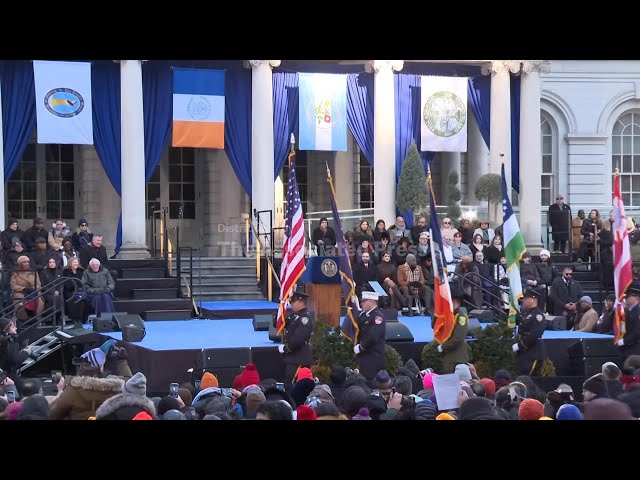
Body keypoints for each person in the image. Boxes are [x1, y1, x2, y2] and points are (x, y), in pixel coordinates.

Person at [276, 291, 314, 387]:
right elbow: (280, 324)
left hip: (299, 358)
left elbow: (299, 338)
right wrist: (280, 312)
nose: (291, 304)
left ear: (301, 302)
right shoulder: (295, 316)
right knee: (288, 384)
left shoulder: (305, 318)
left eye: (293, 302)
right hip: (292, 358)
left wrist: (286, 348)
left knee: (293, 385)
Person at [434, 286, 469, 373]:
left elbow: (458, 338)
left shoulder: (461, 317)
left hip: (457, 357)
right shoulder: (446, 315)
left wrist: (443, 347)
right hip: (448, 356)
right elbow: (434, 325)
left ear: (456, 302)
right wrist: (438, 314)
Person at [512, 289, 547, 376]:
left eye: (525, 298)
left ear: (533, 300)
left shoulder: (538, 316)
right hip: (525, 353)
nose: (523, 301)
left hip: (533, 353)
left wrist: (520, 345)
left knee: (528, 378)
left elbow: (534, 335)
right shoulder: (525, 314)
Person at [353, 291, 386, 381]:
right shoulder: (363, 315)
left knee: (369, 381)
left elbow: (373, 336)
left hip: (372, 356)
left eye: (364, 301)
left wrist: (361, 347)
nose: (361, 303)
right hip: (363, 356)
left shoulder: (377, 317)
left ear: (372, 302)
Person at [617, 285, 640, 362]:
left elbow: (637, 331)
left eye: (627, 297)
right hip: (628, 346)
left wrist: (624, 341)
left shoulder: (637, 311)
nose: (625, 299)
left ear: (636, 297)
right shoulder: (628, 311)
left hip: (635, 346)